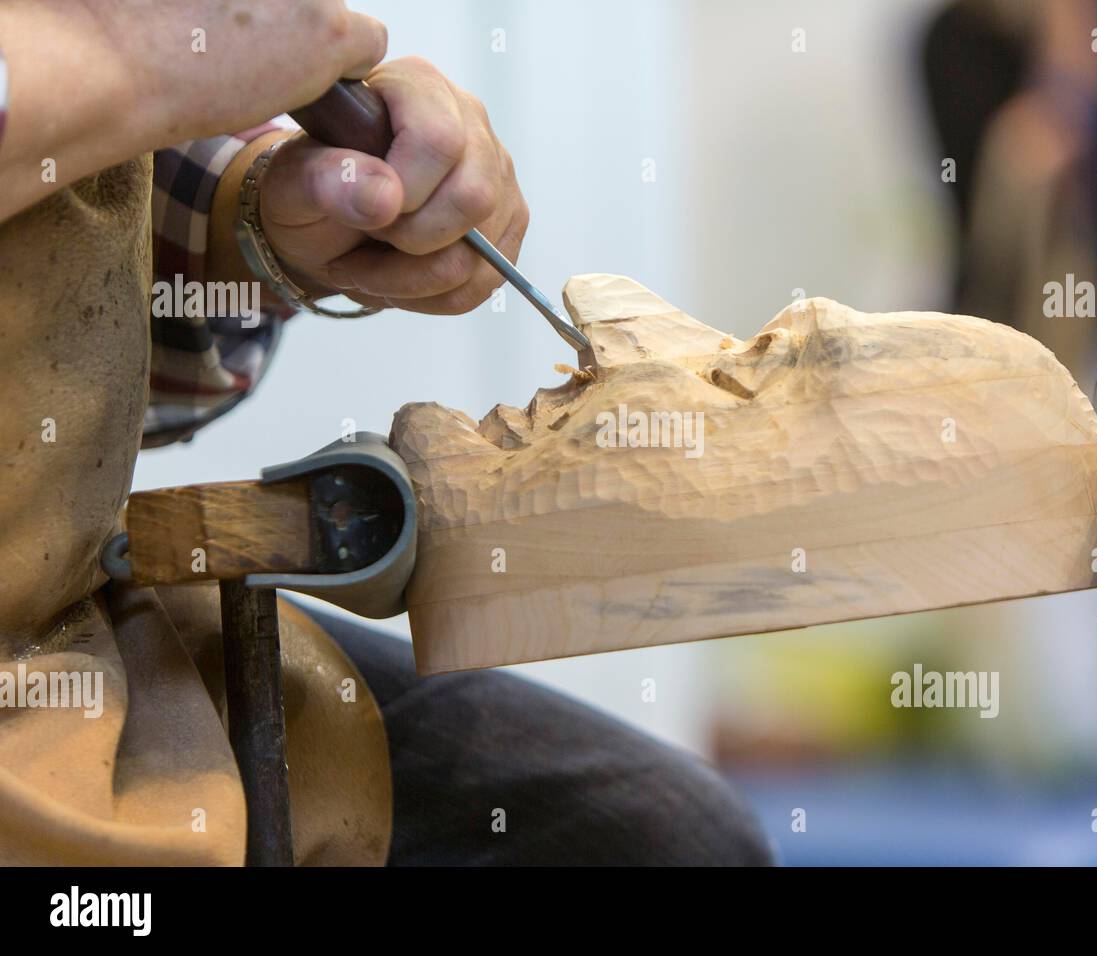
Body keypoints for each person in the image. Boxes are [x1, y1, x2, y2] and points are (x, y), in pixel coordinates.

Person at [0, 0, 772, 866]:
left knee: (652, 838)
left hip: (59, 610)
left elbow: (75, 252)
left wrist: (263, 210)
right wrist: (121, 61)